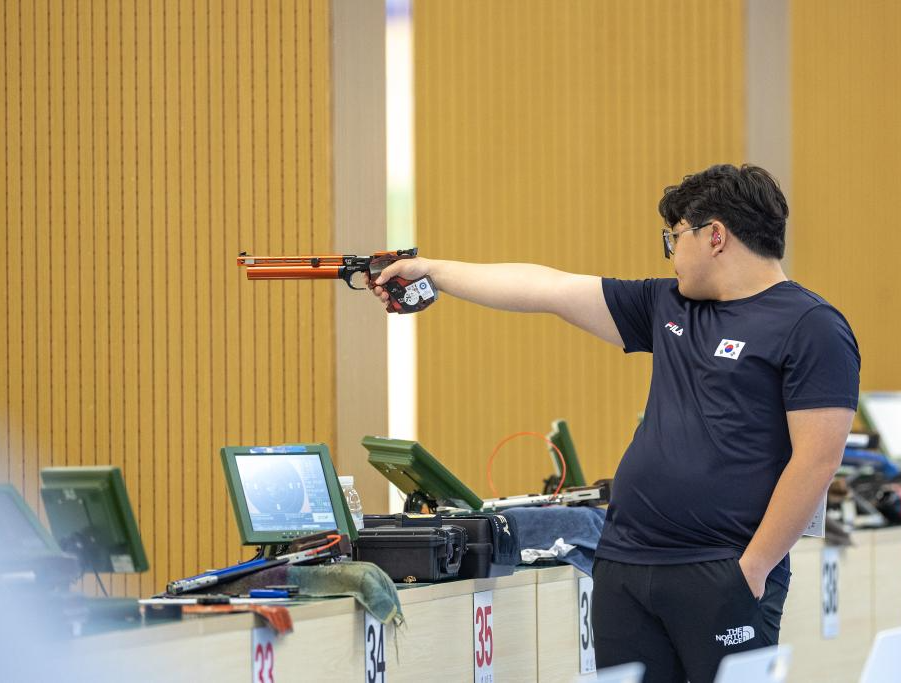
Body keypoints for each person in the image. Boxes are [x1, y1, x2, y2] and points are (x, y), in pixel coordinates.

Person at [367, 164, 860, 682]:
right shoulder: (668, 305)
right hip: (626, 565)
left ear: (715, 236)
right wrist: (432, 271)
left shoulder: (811, 326)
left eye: (675, 238)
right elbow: (547, 288)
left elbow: (816, 461)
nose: (671, 256)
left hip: (723, 569)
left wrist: (752, 569)